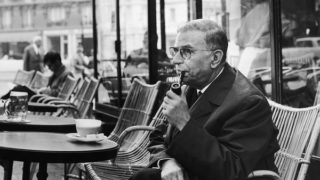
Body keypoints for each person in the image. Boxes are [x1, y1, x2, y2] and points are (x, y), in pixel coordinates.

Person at [130, 19, 279, 180]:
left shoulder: (249, 103)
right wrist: (166, 161)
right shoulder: (193, 86)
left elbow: (233, 170)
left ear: (215, 58)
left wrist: (184, 122)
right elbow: (159, 134)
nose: (175, 60)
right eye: (176, 51)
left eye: (186, 51)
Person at [2, 51, 73, 100]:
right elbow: (49, 87)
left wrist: (46, 91)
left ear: (57, 62)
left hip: (46, 100)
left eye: (50, 66)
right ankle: (2, 100)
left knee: (19, 90)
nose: (50, 68)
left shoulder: (66, 74)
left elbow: (60, 94)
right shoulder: (57, 73)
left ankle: (1, 100)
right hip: (44, 98)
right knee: (20, 89)